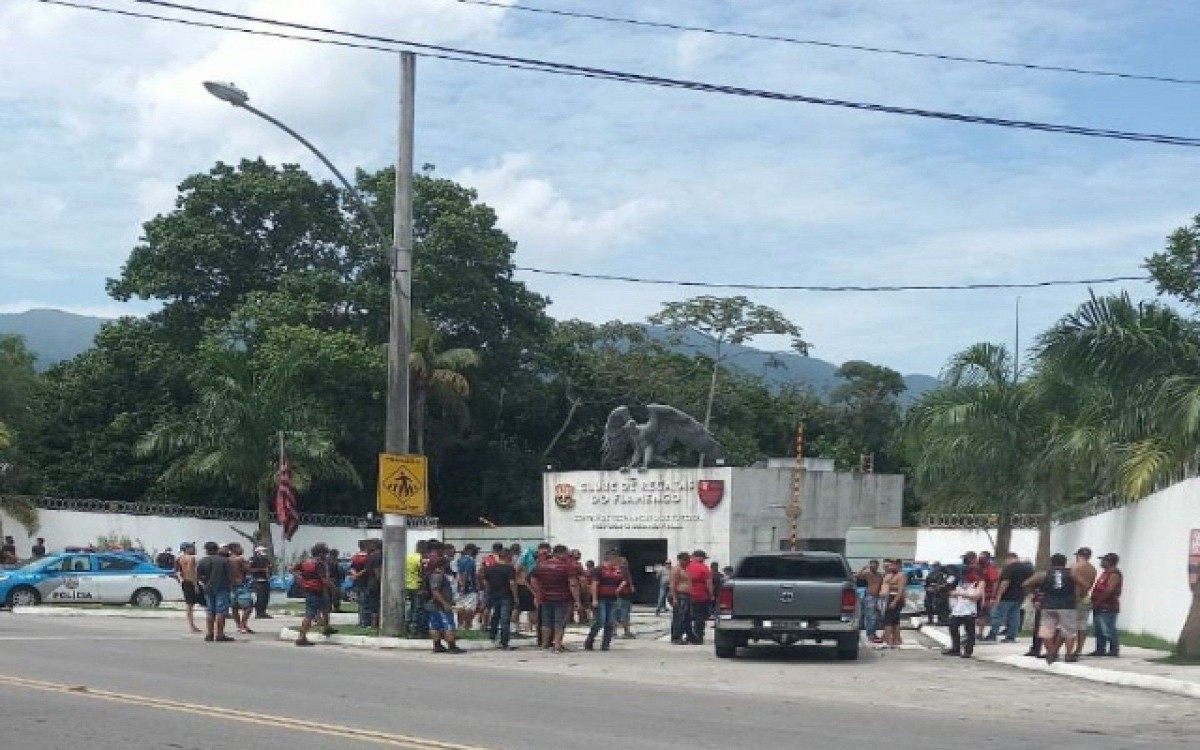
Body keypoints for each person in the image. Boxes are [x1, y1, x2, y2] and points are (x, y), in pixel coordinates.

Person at [1023, 553, 1083, 664]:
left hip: (1048, 605)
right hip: (1067, 606)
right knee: (1069, 631)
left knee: (1047, 631)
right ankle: (1068, 655)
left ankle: (1051, 654)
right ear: (1065, 563)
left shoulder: (1044, 574)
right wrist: (1077, 594)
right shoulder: (1072, 573)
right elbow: (1083, 584)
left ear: (1051, 562)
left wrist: (1035, 595)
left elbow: (1026, 583)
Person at [529, 544, 581, 653]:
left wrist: (538, 592)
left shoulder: (541, 565)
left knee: (546, 622)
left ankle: (544, 645)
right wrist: (577, 600)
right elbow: (573, 584)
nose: (567, 556)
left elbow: (532, 578)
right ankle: (557, 646)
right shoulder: (567, 567)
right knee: (559, 622)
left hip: (545, 597)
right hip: (562, 598)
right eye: (566, 553)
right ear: (561, 553)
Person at [984, 552, 1032, 642]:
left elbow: (1005, 582)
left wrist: (998, 595)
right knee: (1014, 617)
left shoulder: (1009, 568)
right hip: (1019, 596)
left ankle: (992, 635)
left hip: (1007, 596)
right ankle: (1011, 636)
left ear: (1009, 558)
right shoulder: (1027, 569)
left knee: (997, 615)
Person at [294, 543, 333, 647]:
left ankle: (327, 628)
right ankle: (301, 637)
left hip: (309, 590)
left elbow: (293, 569)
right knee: (310, 615)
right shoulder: (320, 564)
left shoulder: (306, 562)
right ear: (321, 553)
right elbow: (324, 579)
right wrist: (335, 588)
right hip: (318, 590)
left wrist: (301, 580)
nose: (326, 555)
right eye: (325, 553)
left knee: (324, 609)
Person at [586, 549, 625, 651]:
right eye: (615, 559)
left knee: (610, 622)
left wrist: (618, 590)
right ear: (610, 558)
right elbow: (594, 584)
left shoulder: (616, 571)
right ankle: (589, 641)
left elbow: (623, 580)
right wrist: (594, 599)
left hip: (612, 598)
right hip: (601, 599)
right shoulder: (599, 570)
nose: (617, 561)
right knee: (600, 621)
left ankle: (606, 644)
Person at [197, 541, 235, 643]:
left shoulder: (202, 561)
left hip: (208, 588)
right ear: (217, 549)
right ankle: (220, 634)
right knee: (221, 612)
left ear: (206, 550)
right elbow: (230, 575)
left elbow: (199, 576)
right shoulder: (225, 561)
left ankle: (209, 634)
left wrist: (205, 583)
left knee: (210, 611)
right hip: (222, 588)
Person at [425, 556, 464, 654]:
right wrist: (445, 603)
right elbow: (435, 591)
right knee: (448, 625)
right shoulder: (439, 576)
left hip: (433, 605)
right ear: (444, 564)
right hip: (440, 606)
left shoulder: (433, 575)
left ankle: (437, 645)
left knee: (434, 626)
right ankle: (452, 646)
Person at [944, 565, 984, 658]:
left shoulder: (979, 583)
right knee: (953, 628)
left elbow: (976, 596)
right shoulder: (961, 582)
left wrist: (961, 594)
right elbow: (952, 593)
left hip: (969, 611)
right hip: (958, 610)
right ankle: (955, 648)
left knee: (970, 631)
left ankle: (968, 651)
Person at [482, 548, 519, 649]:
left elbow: (485, 582)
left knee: (495, 617)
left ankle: (492, 637)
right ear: (507, 557)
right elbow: (512, 583)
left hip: (494, 595)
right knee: (505, 619)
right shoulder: (509, 569)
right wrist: (516, 597)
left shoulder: (490, 568)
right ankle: (504, 642)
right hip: (506, 596)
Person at [1089, 553, 1123, 657]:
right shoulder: (1105, 573)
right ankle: (1100, 649)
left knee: (1108, 629)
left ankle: (1114, 650)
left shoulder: (1114, 574)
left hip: (1108, 606)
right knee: (1099, 629)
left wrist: (1098, 601)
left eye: (1103, 560)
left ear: (1109, 562)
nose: (1101, 562)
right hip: (1099, 605)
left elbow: (1109, 590)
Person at [1071, 547, 1098, 658]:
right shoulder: (1093, 569)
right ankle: (1079, 649)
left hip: (1075, 598)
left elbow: (1072, 579)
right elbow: (1089, 585)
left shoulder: (1075, 566)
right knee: (1082, 625)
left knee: (1070, 626)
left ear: (1078, 555)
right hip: (1086, 598)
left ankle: (1069, 649)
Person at [686, 550, 714, 645]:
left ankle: (689, 635)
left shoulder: (687, 566)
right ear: (701, 558)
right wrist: (711, 594)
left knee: (687, 616)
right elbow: (708, 583)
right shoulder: (704, 568)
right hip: (701, 596)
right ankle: (698, 636)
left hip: (687, 594)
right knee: (700, 617)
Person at [174, 543, 203, 634]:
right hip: (192, 582)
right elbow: (191, 571)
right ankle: (194, 627)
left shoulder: (179, 558)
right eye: (192, 548)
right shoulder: (192, 558)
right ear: (187, 549)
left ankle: (192, 625)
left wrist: (181, 581)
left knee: (189, 605)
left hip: (185, 582)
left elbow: (176, 572)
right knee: (201, 604)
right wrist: (195, 584)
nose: (194, 549)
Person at [227, 542, 254, 634]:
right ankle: (243, 624)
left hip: (230, 585)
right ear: (234, 549)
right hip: (241, 585)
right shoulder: (240, 559)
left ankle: (238, 625)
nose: (242, 549)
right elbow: (247, 570)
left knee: (234, 607)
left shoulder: (227, 559)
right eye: (240, 547)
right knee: (249, 607)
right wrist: (249, 564)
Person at [880, 559, 908, 648]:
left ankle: (889, 641)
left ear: (898, 566)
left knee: (888, 621)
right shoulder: (891, 575)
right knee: (895, 621)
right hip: (890, 598)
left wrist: (894, 602)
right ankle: (896, 640)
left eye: (893, 565)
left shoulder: (901, 575)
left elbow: (901, 590)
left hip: (896, 598)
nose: (891, 567)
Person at [669, 551, 693, 644]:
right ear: (681, 560)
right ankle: (676, 637)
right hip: (679, 595)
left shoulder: (685, 569)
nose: (688, 561)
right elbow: (672, 585)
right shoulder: (676, 570)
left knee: (686, 617)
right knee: (679, 617)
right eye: (686, 560)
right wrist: (674, 598)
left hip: (686, 596)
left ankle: (688, 636)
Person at [975, 551, 1001, 638]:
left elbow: (995, 583)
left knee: (983, 614)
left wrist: (993, 596)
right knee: (975, 614)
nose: (980, 559)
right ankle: (973, 632)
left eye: (982, 557)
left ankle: (980, 633)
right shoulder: (978, 568)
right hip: (976, 594)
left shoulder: (990, 569)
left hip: (986, 595)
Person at [858, 559, 884, 643]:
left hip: (877, 597)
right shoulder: (867, 574)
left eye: (875, 565)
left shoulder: (880, 575)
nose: (873, 567)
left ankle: (873, 633)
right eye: (871, 565)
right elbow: (858, 576)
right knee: (871, 617)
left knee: (877, 617)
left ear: (877, 566)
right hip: (870, 597)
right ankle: (870, 635)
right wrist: (863, 568)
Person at [405, 540, 427, 637]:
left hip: (407, 585)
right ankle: (415, 630)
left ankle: (408, 626)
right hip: (417, 586)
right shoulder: (420, 558)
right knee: (418, 609)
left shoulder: (408, 557)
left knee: (410, 607)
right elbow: (423, 572)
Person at [456, 544, 480, 630]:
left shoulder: (459, 560)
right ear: (469, 550)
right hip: (469, 587)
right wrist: (464, 586)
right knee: (470, 608)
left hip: (459, 588)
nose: (477, 553)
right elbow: (466, 574)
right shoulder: (470, 561)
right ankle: (467, 625)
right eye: (475, 550)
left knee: (461, 606)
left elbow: (459, 574)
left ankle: (460, 624)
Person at [360, 540, 383, 629]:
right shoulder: (378, 556)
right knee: (376, 604)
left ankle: (370, 623)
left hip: (370, 582)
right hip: (376, 583)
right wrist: (381, 581)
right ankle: (375, 624)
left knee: (372, 604)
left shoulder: (370, 556)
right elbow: (377, 571)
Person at [614, 555, 637, 639]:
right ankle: (626, 631)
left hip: (619, 595)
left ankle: (614, 632)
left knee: (616, 613)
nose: (625, 563)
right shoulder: (624, 570)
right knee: (624, 614)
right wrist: (617, 590)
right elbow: (624, 582)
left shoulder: (616, 570)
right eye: (624, 562)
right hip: (624, 595)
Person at [248, 545, 272, 619]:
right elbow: (250, 569)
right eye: (263, 551)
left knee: (266, 597)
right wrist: (261, 570)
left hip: (266, 580)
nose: (264, 552)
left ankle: (263, 612)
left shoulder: (266, 560)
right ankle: (259, 613)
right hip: (258, 580)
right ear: (258, 552)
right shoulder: (253, 559)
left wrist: (269, 570)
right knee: (260, 597)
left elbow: (269, 568)